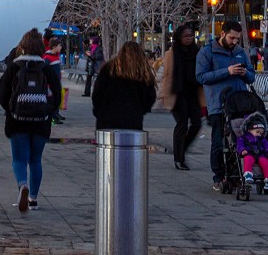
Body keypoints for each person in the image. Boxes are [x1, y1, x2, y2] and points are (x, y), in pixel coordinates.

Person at [0, 27, 61, 213]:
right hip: (41, 121)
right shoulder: (46, 68)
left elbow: (2, 94)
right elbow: (57, 94)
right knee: (35, 160)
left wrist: (11, 110)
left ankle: (22, 185)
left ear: (23, 46)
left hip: (17, 120)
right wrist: (49, 111)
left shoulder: (14, 68)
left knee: (19, 159)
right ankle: (33, 198)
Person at [196, 21, 256, 191]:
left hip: (239, 105)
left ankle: (236, 175)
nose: (235, 42)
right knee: (218, 142)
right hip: (218, 104)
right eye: (232, 38)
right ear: (222, 34)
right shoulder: (207, 52)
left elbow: (252, 76)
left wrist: (245, 73)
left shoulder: (240, 52)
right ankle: (219, 176)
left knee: (239, 141)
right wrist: (227, 71)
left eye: (237, 39)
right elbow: (201, 77)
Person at [159, 24, 203, 170]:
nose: (189, 38)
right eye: (186, 36)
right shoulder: (171, 54)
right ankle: (179, 159)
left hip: (193, 92)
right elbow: (165, 75)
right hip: (177, 93)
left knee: (197, 123)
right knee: (182, 124)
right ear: (179, 37)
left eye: (191, 35)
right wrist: (162, 93)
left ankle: (182, 149)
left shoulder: (197, 52)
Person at [92, 41, 157, 130]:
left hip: (106, 118)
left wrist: (98, 111)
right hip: (132, 119)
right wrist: (139, 111)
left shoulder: (108, 69)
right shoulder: (143, 73)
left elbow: (97, 93)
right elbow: (150, 98)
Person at [236, 113, 268, 191]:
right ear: (249, 130)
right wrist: (242, 150)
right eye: (257, 132)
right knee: (248, 160)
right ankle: (248, 174)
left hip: (261, 154)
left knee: (265, 164)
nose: (259, 134)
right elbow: (239, 145)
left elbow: (267, 146)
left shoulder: (262, 139)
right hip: (248, 153)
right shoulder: (243, 138)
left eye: (261, 133)